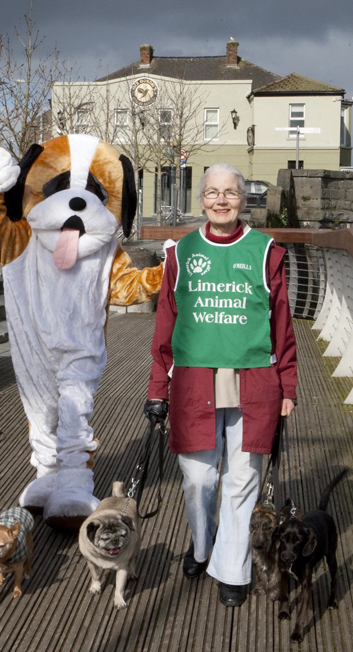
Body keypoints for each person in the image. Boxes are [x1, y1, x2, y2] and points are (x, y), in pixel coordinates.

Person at [144, 163, 297, 607]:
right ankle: (202, 543)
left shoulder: (267, 252)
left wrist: (287, 386)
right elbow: (165, 326)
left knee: (243, 478)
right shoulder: (181, 253)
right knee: (198, 478)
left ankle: (232, 568)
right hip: (194, 381)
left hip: (253, 380)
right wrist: (157, 388)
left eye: (230, 192)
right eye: (213, 192)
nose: (222, 200)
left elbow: (282, 324)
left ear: (243, 198)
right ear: (202, 199)